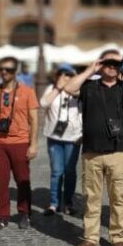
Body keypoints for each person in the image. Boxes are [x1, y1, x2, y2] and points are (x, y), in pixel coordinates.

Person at [65, 49, 123, 246]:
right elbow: (68, 87)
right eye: (107, 62)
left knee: (118, 197)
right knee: (91, 198)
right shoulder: (89, 87)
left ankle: (117, 237)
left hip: (119, 152)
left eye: (114, 63)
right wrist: (91, 68)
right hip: (92, 151)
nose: (111, 66)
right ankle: (90, 237)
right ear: (101, 64)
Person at [0, 57, 40, 233]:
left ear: (16, 72)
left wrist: (33, 144)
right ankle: (2, 216)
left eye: (9, 69)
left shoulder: (28, 92)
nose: (4, 72)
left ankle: (24, 213)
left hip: (20, 142)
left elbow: (34, 119)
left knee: (22, 180)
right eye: (1, 69)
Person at [40, 65, 83, 216]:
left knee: (70, 172)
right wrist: (58, 89)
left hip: (74, 138)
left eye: (69, 74)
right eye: (62, 74)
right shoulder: (52, 89)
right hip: (54, 137)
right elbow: (43, 103)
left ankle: (68, 203)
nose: (65, 77)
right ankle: (54, 203)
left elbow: (87, 110)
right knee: (57, 171)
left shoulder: (79, 90)